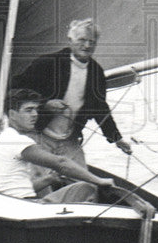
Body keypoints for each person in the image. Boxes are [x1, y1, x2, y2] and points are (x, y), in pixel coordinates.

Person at [11, 19, 133, 158]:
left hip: (69, 139)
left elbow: (100, 109)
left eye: (92, 42)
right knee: (42, 179)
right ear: (70, 40)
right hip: (37, 135)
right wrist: (45, 104)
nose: (87, 45)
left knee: (83, 179)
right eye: (82, 40)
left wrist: (116, 138)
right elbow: (15, 90)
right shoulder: (47, 63)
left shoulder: (96, 72)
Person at [0, 89, 114, 204]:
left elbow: (19, 187)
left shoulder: (5, 138)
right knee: (87, 188)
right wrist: (99, 181)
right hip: (22, 204)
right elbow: (61, 163)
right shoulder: (17, 141)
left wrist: (49, 179)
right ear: (12, 115)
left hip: (8, 202)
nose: (35, 114)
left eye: (36, 109)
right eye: (28, 110)